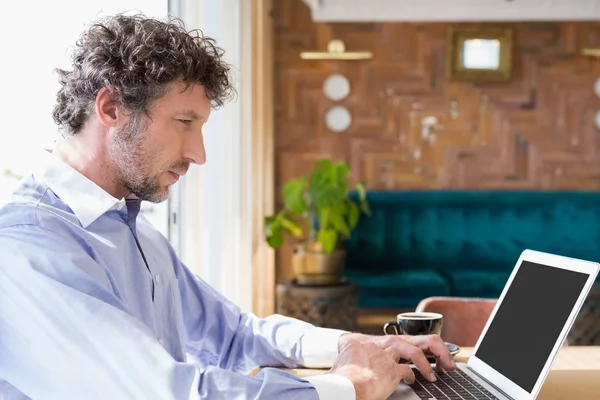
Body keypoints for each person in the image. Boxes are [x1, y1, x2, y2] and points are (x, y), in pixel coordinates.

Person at [0, 14, 455, 400]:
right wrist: (346, 385)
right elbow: (169, 393)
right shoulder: (26, 247)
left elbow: (236, 333)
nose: (198, 154)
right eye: (183, 122)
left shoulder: (132, 229)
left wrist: (355, 343)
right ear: (112, 108)